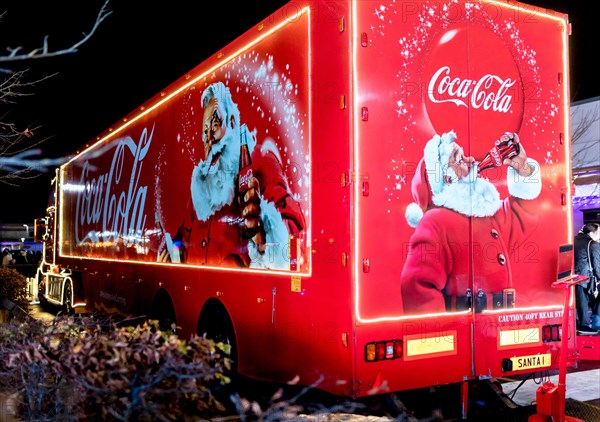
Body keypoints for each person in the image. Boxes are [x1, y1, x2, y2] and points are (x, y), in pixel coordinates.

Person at [159, 81, 305, 269]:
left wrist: (266, 231)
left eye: (215, 124)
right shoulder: (201, 191)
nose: (209, 138)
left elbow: (294, 227)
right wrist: (172, 252)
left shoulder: (258, 160)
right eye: (205, 133)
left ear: (232, 122)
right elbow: (183, 240)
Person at [401, 130, 542, 314]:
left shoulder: (486, 214)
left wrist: (522, 168)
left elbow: (524, 212)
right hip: (460, 330)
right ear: (447, 178)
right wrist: (441, 336)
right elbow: (418, 290)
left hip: (496, 326)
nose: (469, 160)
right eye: (459, 160)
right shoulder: (435, 222)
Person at [574, 223, 600, 333]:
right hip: (586, 277)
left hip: (573, 277)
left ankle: (579, 323)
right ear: (591, 233)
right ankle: (587, 325)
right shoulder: (593, 244)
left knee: (580, 301)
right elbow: (596, 264)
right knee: (591, 301)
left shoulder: (573, 240)